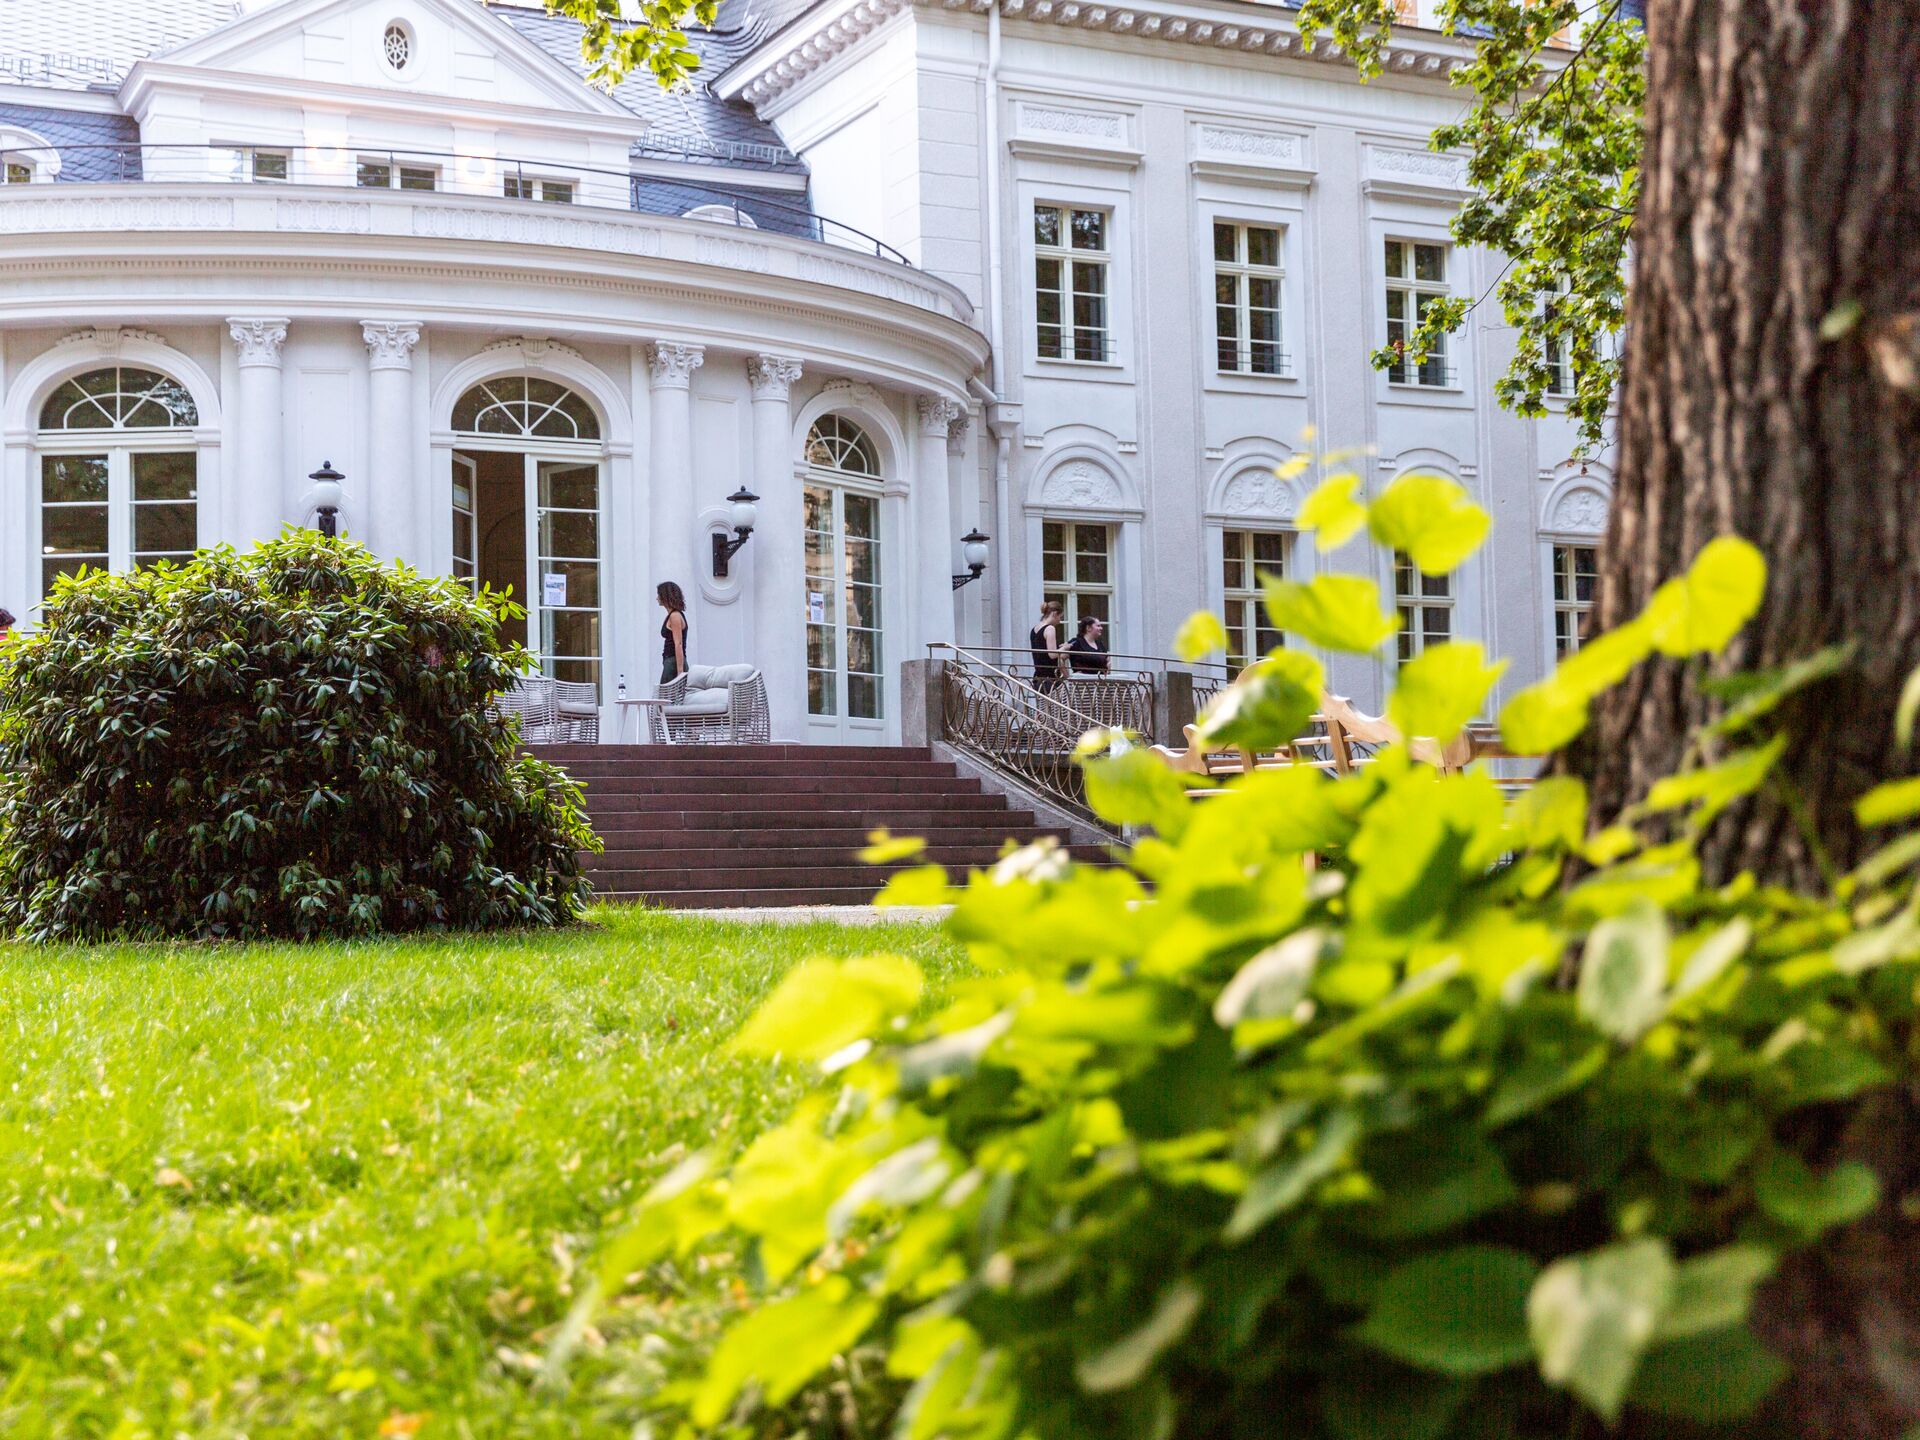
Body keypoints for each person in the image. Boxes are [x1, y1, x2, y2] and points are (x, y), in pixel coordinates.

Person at [1028, 599, 1065, 693]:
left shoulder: (1034, 629)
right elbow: (1052, 654)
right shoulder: (1050, 628)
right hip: (1050, 678)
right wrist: (1065, 648)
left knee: (1043, 707)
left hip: (1038, 677)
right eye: (1060, 617)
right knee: (1055, 707)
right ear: (1054, 614)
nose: (1059, 621)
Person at [657, 582, 689, 685]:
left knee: (665, 698)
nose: (657, 598)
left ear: (665, 596)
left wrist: (680, 673)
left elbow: (678, 644)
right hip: (670, 661)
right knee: (668, 698)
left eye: (659, 595)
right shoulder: (673, 615)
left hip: (673, 662)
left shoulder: (675, 616)